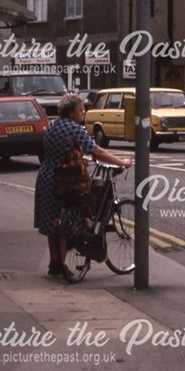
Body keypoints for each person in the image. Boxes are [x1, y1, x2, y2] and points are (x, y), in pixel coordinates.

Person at [34, 93, 128, 275]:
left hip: (46, 177)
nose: (83, 112)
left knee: (52, 223)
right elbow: (96, 151)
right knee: (70, 221)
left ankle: (54, 262)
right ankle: (62, 263)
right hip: (66, 179)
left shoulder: (52, 125)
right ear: (70, 113)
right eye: (80, 109)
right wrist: (121, 162)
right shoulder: (75, 128)